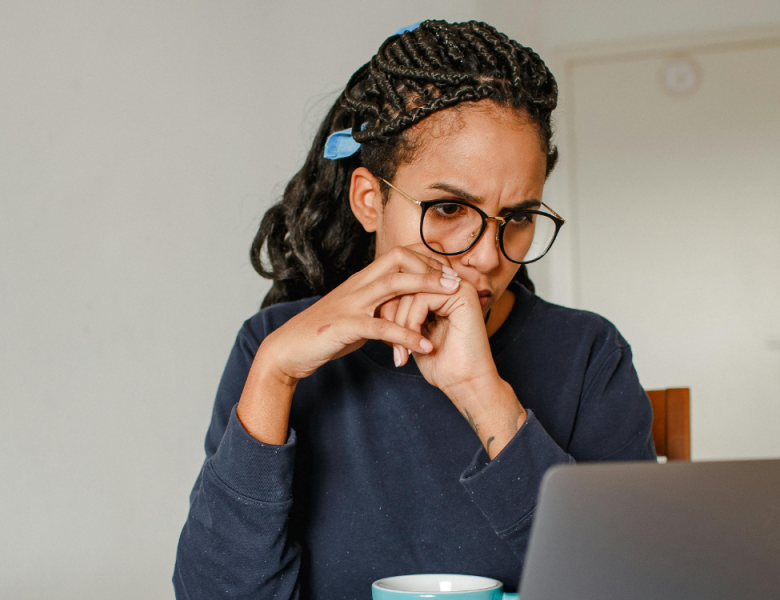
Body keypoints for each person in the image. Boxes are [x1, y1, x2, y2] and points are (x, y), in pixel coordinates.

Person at [173, 19, 656, 600]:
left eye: (519, 217)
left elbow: (631, 587)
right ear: (369, 200)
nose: (487, 256)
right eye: (449, 209)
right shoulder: (273, 346)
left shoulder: (588, 355)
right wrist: (273, 375)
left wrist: (481, 392)